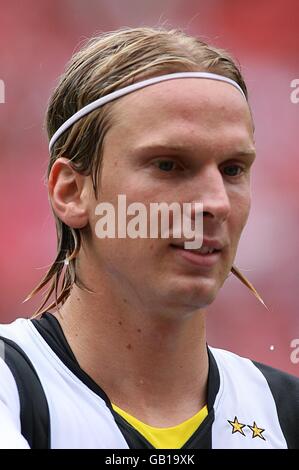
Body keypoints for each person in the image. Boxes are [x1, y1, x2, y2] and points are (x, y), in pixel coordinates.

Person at [0, 26, 298, 450]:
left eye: (233, 169)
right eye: (168, 165)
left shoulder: (283, 413)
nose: (216, 203)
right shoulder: (12, 390)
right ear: (70, 191)